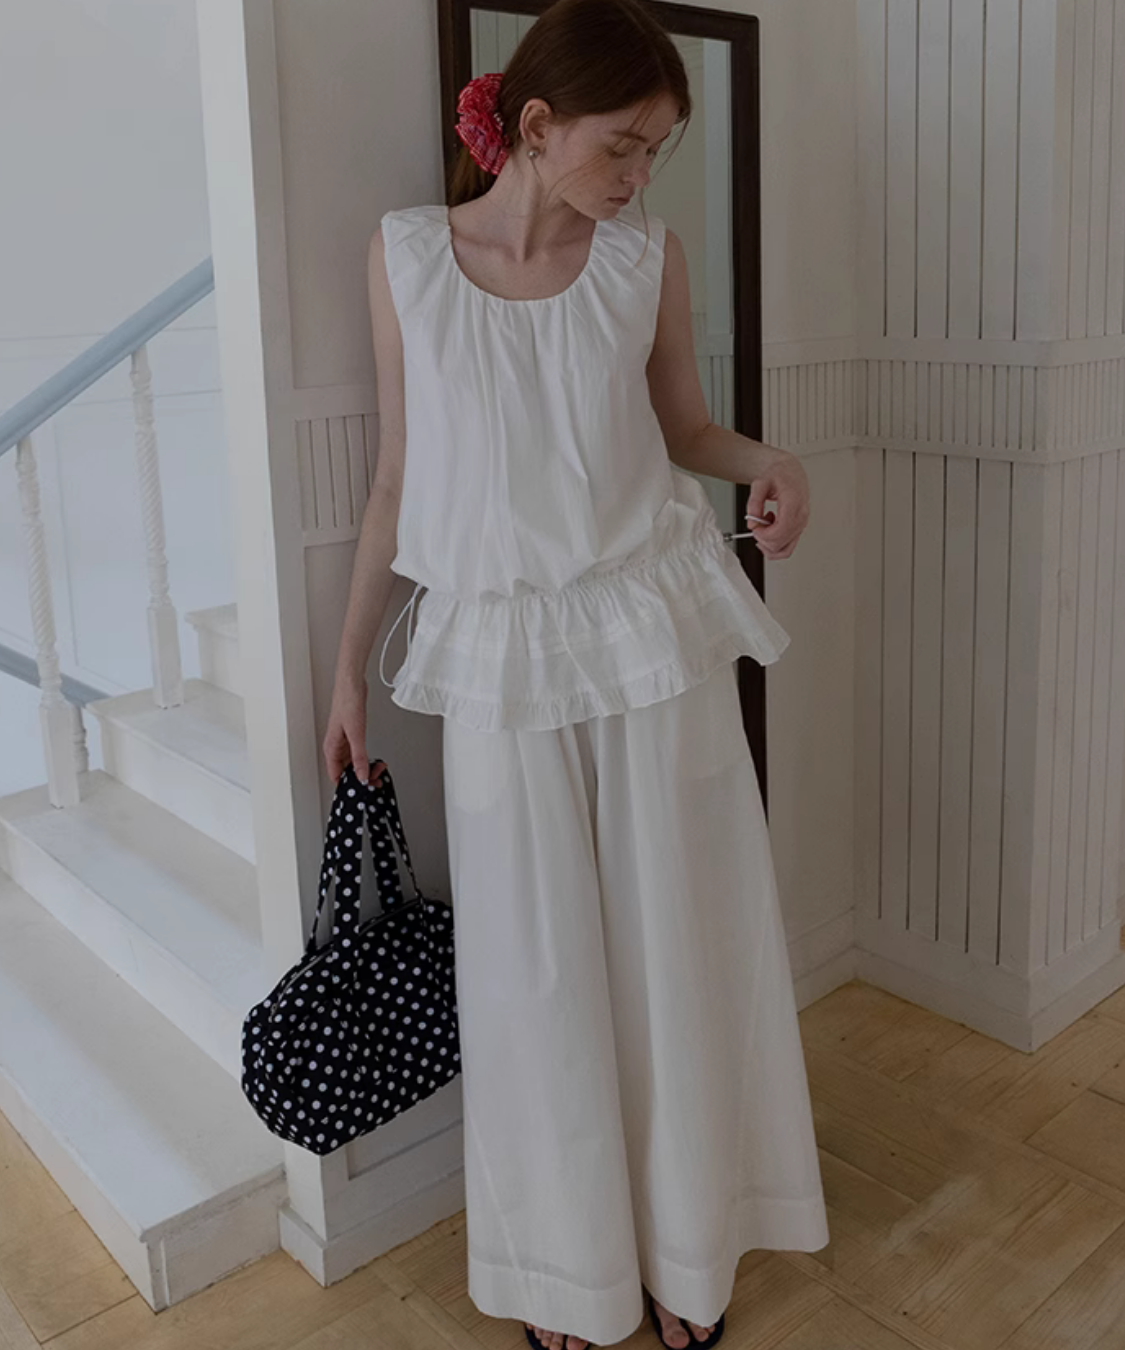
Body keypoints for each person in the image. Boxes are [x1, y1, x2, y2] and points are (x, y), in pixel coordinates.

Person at [323, 2, 829, 1347]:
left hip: (649, 638)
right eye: (624, 146)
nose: (639, 176)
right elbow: (394, 481)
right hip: (498, 656)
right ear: (537, 127)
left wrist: (773, 463)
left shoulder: (643, 259)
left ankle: (687, 1253)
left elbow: (687, 428)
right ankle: (566, 1273)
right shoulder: (408, 256)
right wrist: (348, 676)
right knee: (531, 969)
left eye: (659, 151)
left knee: (677, 947)